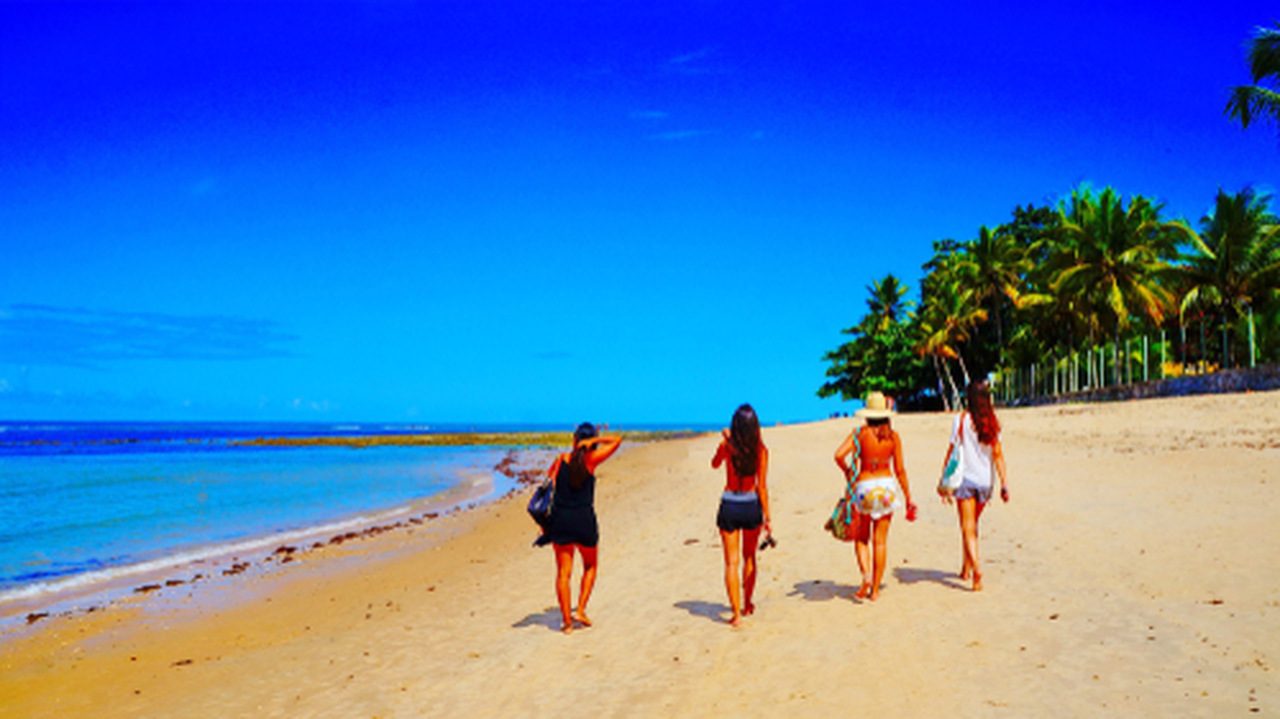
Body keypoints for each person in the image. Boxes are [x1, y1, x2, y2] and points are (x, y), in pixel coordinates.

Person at [833, 391, 916, 601]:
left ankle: (866, 576)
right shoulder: (893, 437)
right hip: (886, 487)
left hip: (865, 486)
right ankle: (875, 590)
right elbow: (900, 470)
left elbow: (838, 455)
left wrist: (848, 471)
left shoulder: (860, 434)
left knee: (862, 539)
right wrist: (908, 497)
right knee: (880, 542)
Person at [544, 423, 622, 633]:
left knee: (563, 573)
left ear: (574, 439)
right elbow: (617, 440)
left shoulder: (561, 460)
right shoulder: (591, 460)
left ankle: (567, 622)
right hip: (584, 520)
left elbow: (549, 484)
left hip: (560, 520)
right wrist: (594, 441)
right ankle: (579, 610)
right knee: (590, 566)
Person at [938, 380, 1010, 592]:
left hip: (965, 480)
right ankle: (965, 568)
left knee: (967, 528)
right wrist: (1004, 483)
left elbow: (952, 451)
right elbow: (998, 455)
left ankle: (976, 570)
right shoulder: (992, 423)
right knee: (972, 526)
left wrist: (943, 479)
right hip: (985, 482)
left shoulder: (961, 420)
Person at [711, 404, 771, 627]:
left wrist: (726, 444)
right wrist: (767, 518)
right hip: (751, 503)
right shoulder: (761, 451)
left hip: (730, 504)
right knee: (749, 557)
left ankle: (736, 614)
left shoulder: (728, 447)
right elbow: (762, 487)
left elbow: (714, 464)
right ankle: (747, 604)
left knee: (731, 563)